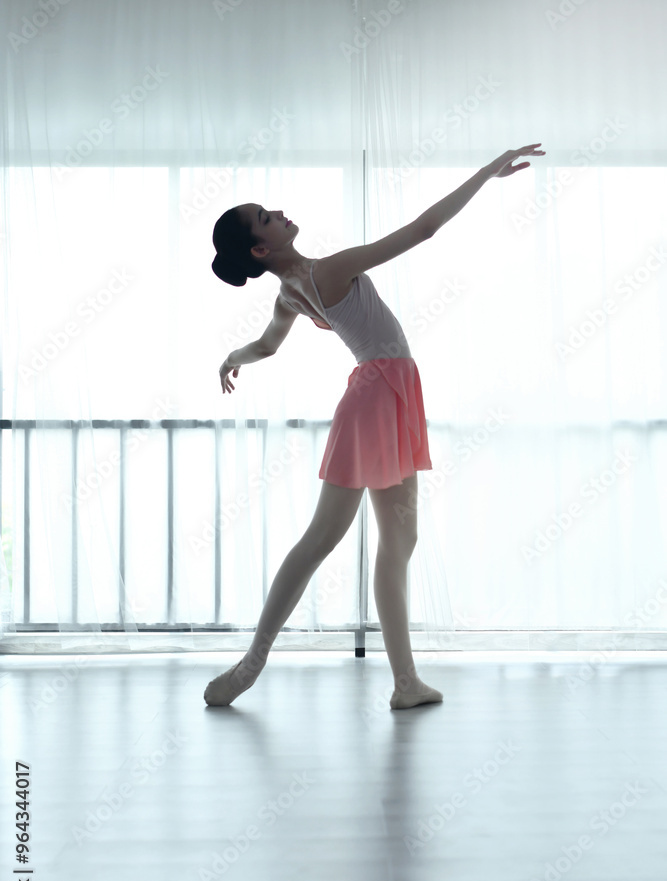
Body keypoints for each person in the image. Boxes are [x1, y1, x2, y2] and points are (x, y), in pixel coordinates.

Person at [204, 143, 546, 709]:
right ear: (262, 247)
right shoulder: (325, 271)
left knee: (400, 537)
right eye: (267, 217)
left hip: (389, 395)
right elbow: (424, 229)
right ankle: (251, 664)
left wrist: (233, 357)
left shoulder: (293, 289)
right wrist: (487, 171)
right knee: (323, 537)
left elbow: (267, 343)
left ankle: (406, 682)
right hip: (375, 397)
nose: (279, 211)